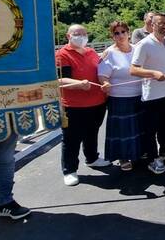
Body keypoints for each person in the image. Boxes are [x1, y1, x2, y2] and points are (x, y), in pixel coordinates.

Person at [56, 24, 111, 186]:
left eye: (84, 34)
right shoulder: (62, 55)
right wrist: (78, 83)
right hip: (74, 105)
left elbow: (100, 68)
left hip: (97, 102)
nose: (81, 36)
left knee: (92, 132)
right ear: (68, 36)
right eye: (77, 34)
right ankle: (69, 170)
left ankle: (92, 158)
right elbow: (60, 80)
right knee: (71, 139)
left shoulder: (91, 52)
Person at [130, 12, 165, 175]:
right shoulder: (144, 44)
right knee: (150, 129)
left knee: (164, 125)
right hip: (152, 96)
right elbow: (133, 69)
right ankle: (152, 159)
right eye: (161, 23)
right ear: (152, 25)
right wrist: (153, 74)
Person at [98, 21, 144, 171]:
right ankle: (123, 157)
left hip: (140, 95)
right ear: (112, 36)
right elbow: (102, 75)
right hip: (120, 98)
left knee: (138, 127)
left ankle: (138, 152)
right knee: (122, 130)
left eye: (123, 31)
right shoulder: (109, 53)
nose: (121, 35)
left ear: (128, 33)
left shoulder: (137, 49)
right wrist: (105, 83)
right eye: (116, 33)